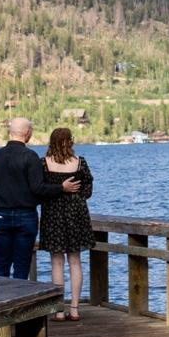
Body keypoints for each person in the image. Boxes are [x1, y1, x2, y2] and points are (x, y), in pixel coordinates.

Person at [0, 117, 80, 279]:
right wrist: (61, 187)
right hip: (26, 215)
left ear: (10, 132)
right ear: (27, 133)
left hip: (1, 215)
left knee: (0, 265)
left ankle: (0, 295)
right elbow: (38, 188)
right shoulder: (31, 156)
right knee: (21, 266)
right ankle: (19, 295)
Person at [37, 126, 95, 320]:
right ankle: (75, 308)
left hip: (53, 214)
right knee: (75, 261)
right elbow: (87, 191)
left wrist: (57, 190)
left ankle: (59, 310)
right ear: (70, 141)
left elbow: (40, 190)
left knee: (57, 262)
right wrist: (74, 195)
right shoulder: (80, 162)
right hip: (75, 214)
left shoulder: (44, 163)